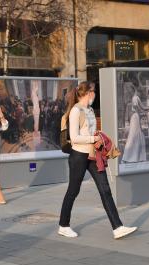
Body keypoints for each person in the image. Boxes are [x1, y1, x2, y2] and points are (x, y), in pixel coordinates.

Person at [58, 81, 137, 240]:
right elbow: (74, 138)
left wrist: (99, 138)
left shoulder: (90, 109)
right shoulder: (76, 111)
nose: (95, 94)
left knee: (105, 189)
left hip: (93, 156)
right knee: (73, 191)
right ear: (88, 92)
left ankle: (118, 227)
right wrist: (92, 139)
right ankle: (63, 225)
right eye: (93, 91)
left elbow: (90, 131)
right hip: (78, 156)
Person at [122, 83, 149, 162]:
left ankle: (136, 157)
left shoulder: (134, 98)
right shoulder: (136, 98)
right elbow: (141, 108)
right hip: (135, 117)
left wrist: (148, 108)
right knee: (133, 136)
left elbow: (140, 108)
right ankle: (128, 157)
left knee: (136, 135)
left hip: (135, 117)